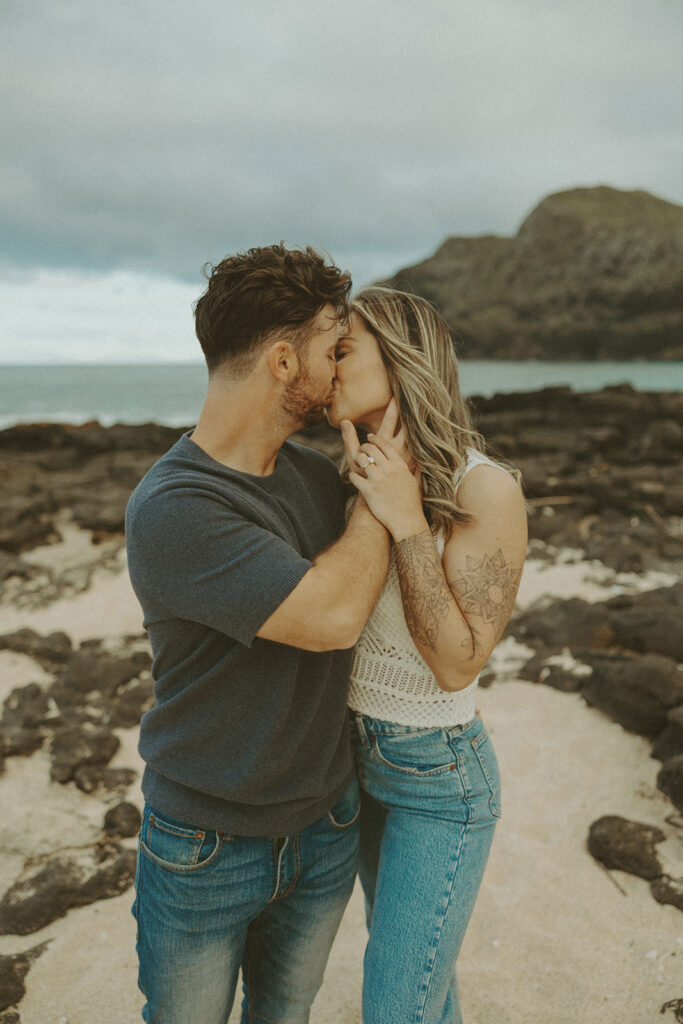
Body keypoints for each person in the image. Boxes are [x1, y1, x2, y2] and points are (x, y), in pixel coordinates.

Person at [125, 245, 400, 1024]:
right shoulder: (176, 507)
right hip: (206, 844)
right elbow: (332, 615)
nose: (340, 367)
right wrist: (385, 488)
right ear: (283, 361)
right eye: (331, 348)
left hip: (327, 824)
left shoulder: (317, 479)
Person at [326, 287, 528, 1024]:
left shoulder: (486, 488)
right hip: (349, 759)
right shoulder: (347, 468)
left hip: (437, 777)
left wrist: (407, 519)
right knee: (417, 987)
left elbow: (455, 663)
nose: (326, 363)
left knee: (394, 1008)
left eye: (342, 348)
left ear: (400, 357)